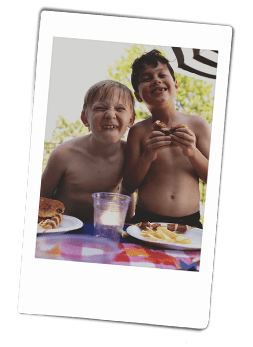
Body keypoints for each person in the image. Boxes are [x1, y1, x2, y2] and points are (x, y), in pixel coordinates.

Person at [122, 50, 211, 228]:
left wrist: (192, 153)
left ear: (175, 85)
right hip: (145, 221)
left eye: (162, 74)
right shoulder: (138, 131)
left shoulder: (198, 125)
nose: (156, 80)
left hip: (189, 223)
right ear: (138, 96)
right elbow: (129, 186)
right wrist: (147, 156)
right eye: (146, 78)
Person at [40, 80, 136, 223]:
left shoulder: (129, 154)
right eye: (100, 108)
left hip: (98, 230)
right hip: (61, 229)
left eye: (120, 109)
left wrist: (128, 227)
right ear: (85, 119)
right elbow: (40, 199)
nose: (110, 114)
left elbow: (127, 195)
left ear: (131, 119)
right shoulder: (64, 154)